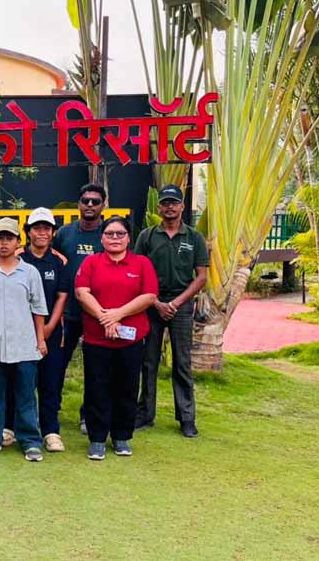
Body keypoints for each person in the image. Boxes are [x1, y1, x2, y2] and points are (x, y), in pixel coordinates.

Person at [75, 216, 158, 460]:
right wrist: (106, 319)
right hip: (96, 340)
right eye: (109, 233)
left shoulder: (141, 263)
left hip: (130, 340)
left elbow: (149, 296)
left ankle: (122, 436)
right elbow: (82, 293)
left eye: (120, 234)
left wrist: (118, 315)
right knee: (96, 388)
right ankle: (97, 438)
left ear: (128, 238)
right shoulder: (91, 262)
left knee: (127, 388)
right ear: (101, 238)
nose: (114, 238)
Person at [0, 217, 49, 461]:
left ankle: (30, 441)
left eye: (9, 238)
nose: (4, 243)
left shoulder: (30, 272)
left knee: (26, 397)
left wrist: (41, 340)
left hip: (25, 345)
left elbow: (38, 309)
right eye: (0, 238)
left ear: (18, 242)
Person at [134, 185, 209, 437]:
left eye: (174, 203)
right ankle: (145, 414)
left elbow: (201, 277)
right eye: (165, 203)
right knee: (148, 361)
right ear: (159, 207)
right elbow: (137, 272)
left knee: (182, 362)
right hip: (151, 303)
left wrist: (175, 304)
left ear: (182, 206)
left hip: (182, 304)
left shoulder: (194, 237)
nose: (169, 207)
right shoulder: (147, 236)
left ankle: (187, 418)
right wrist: (155, 302)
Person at [2, 208, 70, 452]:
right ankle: (10, 427)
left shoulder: (60, 261)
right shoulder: (17, 257)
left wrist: (49, 327)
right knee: (16, 380)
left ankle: (50, 431)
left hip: (52, 332)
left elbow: (62, 296)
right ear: (28, 232)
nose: (42, 233)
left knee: (50, 382)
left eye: (46, 228)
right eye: (37, 228)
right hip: (19, 332)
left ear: (52, 232)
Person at [54, 183, 106, 435]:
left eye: (95, 201)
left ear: (103, 205)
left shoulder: (109, 234)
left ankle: (89, 415)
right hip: (67, 313)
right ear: (78, 204)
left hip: (98, 313)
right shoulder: (65, 233)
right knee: (56, 365)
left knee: (95, 369)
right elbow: (53, 263)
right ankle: (51, 412)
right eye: (86, 201)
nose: (90, 205)